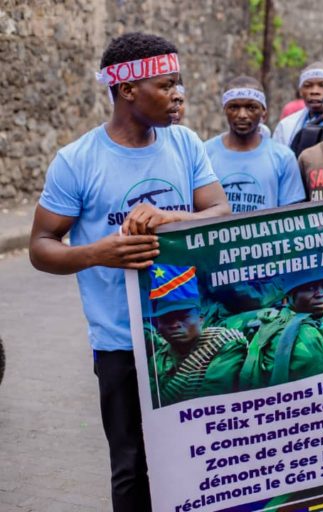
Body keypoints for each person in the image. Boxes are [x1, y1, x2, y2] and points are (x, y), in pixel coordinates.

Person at [28, 32, 230, 512]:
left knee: (198, 454)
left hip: (193, 333)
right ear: (127, 91)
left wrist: (174, 217)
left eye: (178, 83)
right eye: (166, 85)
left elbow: (221, 211)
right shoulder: (78, 161)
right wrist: (100, 253)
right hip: (120, 342)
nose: (177, 95)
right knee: (130, 464)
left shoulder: (184, 145)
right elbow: (40, 247)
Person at [147, 265, 247, 408]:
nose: (175, 324)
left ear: (201, 319)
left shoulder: (226, 343)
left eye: (183, 317)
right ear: (158, 325)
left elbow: (211, 398)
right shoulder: (157, 359)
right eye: (167, 319)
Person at [205, 76, 305, 213]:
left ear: (264, 112)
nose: (242, 115)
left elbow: (291, 217)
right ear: (224, 110)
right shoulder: (205, 153)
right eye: (234, 107)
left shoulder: (283, 157)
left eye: (251, 107)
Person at [238, 267, 323, 388]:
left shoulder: (281, 319)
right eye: (309, 288)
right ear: (291, 295)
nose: (320, 294)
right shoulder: (305, 333)